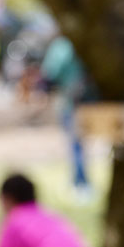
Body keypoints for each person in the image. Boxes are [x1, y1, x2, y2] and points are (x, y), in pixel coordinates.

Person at [41, 36, 94, 194]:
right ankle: (80, 181)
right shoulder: (90, 42)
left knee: (76, 145)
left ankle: (80, 182)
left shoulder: (61, 46)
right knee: (81, 145)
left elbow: (50, 74)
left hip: (70, 103)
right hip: (91, 101)